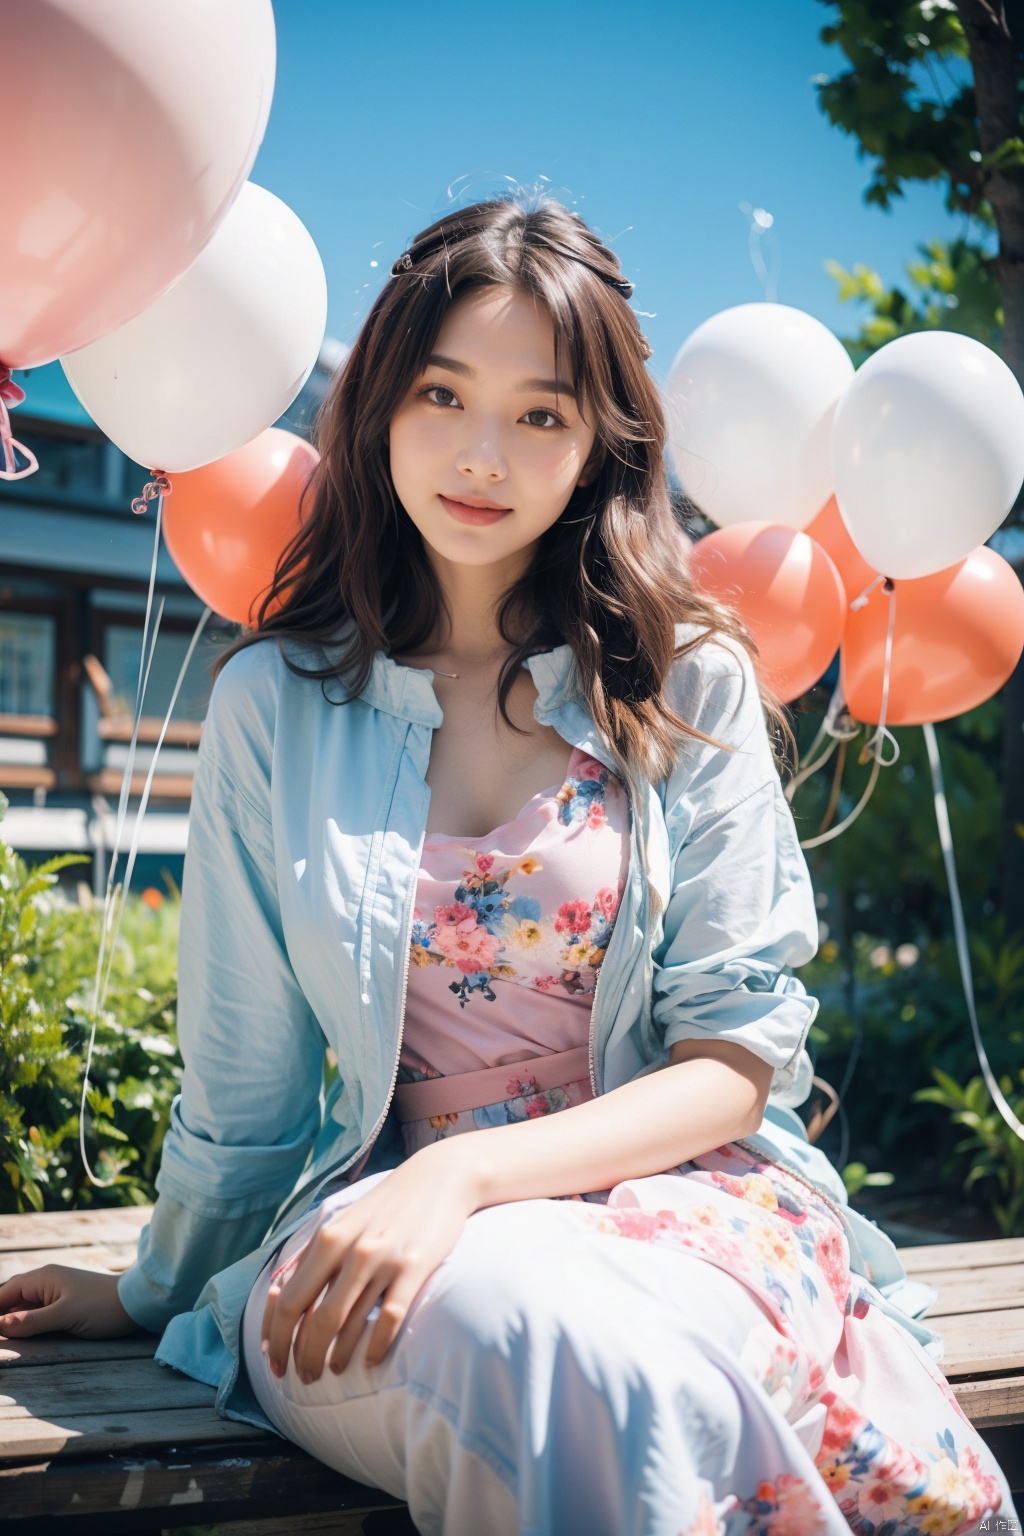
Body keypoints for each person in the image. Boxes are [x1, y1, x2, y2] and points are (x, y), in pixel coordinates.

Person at [0, 196, 1014, 1536]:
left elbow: (734, 1062)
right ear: (376, 407)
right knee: (560, 1352)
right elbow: (243, 1087)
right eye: (441, 393)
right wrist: (153, 1287)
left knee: (630, 1368)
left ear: (601, 442)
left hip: (678, 1202)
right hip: (382, 1231)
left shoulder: (691, 677)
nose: (483, 455)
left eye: (541, 412)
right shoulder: (274, 705)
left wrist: (465, 1175)